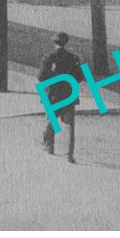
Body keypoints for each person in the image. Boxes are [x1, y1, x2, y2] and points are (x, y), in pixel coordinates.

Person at [39, 31, 82, 163]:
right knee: (69, 126)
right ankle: (69, 154)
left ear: (54, 43)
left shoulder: (49, 57)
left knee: (50, 121)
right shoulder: (74, 58)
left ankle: (49, 147)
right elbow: (80, 76)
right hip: (69, 95)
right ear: (66, 43)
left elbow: (41, 77)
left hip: (53, 95)